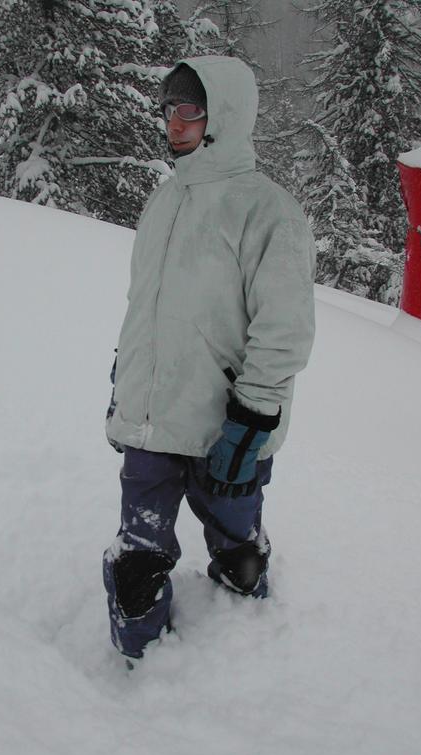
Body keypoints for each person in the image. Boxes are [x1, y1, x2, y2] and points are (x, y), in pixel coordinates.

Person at [103, 55, 316, 662]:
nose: (176, 122)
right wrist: (126, 385)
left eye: (191, 109)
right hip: (153, 422)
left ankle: (244, 667)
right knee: (136, 567)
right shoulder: (163, 202)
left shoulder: (267, 211)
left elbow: (285, 330)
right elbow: (145, 309)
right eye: (170, 108)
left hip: (227, 426)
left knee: (239, 559)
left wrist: (252, 419)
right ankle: (138, 682)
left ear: (224, 116)